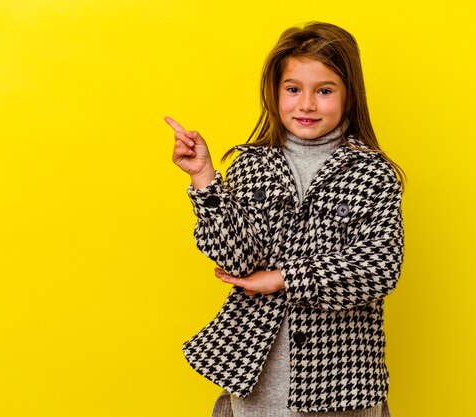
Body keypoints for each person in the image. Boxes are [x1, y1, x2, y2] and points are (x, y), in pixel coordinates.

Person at [166, 22, 404, 417]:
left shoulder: (371, 173)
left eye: (324, 91)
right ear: (275, 92)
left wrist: (283, 278)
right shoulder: (251, 165)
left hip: (341, 385)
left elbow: (379, 269)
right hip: (257, 381)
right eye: (293, 89)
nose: (306, 105)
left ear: (349, 96)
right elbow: (237, 259)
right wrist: (204, 179)